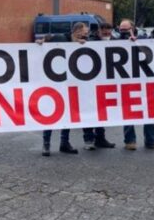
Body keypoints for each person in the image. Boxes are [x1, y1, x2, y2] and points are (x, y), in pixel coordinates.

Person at [37, 25, 84, 156]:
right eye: (81, 33)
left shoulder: (81, 43)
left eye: (85, 34)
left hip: (69, 84)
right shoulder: (60, 37)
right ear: (75, 31)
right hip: (54, 83)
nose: (83, 36)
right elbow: (45, 40)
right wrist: (41, 42)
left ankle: (64, 143)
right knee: (50, 114)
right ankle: (46, 144)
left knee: (68, 114)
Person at [118, 19, 154, 151]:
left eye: (126, 30)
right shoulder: (114, 40)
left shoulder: (144, 39)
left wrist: (138, 42)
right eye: (121, 30)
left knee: (149, 110)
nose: (123, 32)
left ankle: (151, 140)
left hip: (145, 81)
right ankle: (129, 141)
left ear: (133, 28)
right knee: (128, 111)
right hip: (125, 82)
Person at [83, 22, 116, 151]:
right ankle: (89, 139)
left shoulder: (115, 41)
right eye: (104, 32)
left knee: (102, 112)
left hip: (105, 83)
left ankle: (100, 138)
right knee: (89, 111)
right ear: (99, 31)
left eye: (109, 32)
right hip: (90, 83)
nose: (107, 34)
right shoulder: (89, 41)